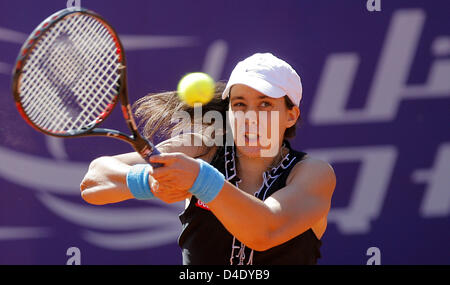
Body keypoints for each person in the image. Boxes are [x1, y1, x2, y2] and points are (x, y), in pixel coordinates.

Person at [80, 53, 336, 265]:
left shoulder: (313, 173)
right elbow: (93, 182)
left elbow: (264, 231)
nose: (250, 116)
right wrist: (148, 181)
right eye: (239, 105)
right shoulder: (201, 148)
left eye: (265, 105)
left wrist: (200, 179)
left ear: (290, 115)